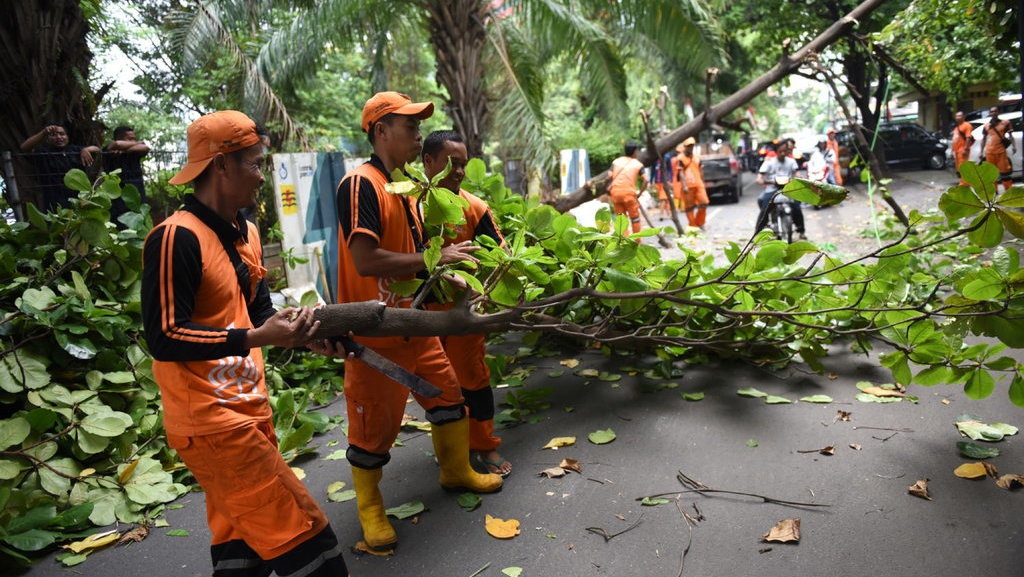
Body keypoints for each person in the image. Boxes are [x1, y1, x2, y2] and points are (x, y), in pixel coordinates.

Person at [140, 110, 350, 577]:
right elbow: (164, 336)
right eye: (254, 164)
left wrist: (303, 337)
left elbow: (258, 313)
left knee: (243, 544)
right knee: (306, 536)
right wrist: (255, 337)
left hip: (251, 407)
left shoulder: (247, 232)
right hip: (213, 422)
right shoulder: (175, 238)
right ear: (220, 165)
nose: (262, 175)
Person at [330, 91, 502, 556]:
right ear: (381, 131)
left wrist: (452, 273)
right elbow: (365, 260)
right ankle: (371, 513)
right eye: (409, 126)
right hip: (374, 336)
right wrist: (436, 259)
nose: (418, 133)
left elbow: (421, 260)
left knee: (449, 400)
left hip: (416, 325)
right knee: (372, 433)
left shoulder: (407, 191)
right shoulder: (360, 184)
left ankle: (455, 471)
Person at [420, 129, 512, 477]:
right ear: (428, 162)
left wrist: (483, 288)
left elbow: (500, 256)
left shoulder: (475, 207)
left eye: (463, 164)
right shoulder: (410, 206)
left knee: (474, 380)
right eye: (451, 163)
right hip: (421, 315)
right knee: (436, 388)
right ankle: (454, 451)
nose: (458, 171)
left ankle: (485, 445)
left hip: (463, 314)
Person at [19, 124, 101, 211]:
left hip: (79, 198)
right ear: (47, 139)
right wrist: (43, 132)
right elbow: (24, 147)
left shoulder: (75, 150)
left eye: (62, 134)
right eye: (53, 135)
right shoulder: (44, 153)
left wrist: (86, 150)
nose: (58, 137)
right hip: (54, 200)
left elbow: (97, 149)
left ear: (67, 136)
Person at [755, 138, 805, 238]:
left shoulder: (791, 162)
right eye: (780, 151)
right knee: (764, 209)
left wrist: (800, 179)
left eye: (784, 151)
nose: (782, 153)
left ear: (787, 151)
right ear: (776, 151)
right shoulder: (769, 162)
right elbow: (759, 177)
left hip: (788, 190)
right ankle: (757, 233)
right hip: (772, 189)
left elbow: (797, 173)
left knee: (797, 207)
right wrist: (763, 181)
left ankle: (801, 230)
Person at [103, 125, 151, 220]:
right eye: (129, 139)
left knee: (139, 215)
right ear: (119, 137)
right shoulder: (108, 149)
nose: (133, 142)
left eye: (134, 139)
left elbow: (145, 148)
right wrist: (136, 143)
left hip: (137, 188)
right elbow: (117, 144)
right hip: (118, 190)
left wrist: (126, 149)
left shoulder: (135, 151)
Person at [607, 141, 648, 236]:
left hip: (615, 194)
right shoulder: (638, 164)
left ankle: (624, 242)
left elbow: (609, 176)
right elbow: (646, 180)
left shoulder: (616, 162)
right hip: (629, 195)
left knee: (621, 219)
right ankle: (636, 241)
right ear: (634, 152)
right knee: (635, 218)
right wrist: (640, 193)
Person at [671, 137, 709, 229]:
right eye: (688, 146)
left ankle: (700, 222)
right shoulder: (681, 158)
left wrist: (703, 182)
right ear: (685, 147)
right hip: (688, 186)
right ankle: (693, 225)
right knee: (689, 207)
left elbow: (701, 170)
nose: (690, 148)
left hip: (698, 184)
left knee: (704, 202)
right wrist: (684, 186)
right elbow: (680, 173)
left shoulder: (697, 157)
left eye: (692, 146)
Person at [979, 106, 1016, 192]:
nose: (993, 113)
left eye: (995, 111)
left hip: (1001, 152)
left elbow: (1011, 136)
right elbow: (983, 139)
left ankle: (1009, 192)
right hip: (989, 152)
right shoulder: (987, 125)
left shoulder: (1005, 123)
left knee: (1005, 173)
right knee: (991, 174)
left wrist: (1014, 146)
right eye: (991, 112)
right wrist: (981, 152)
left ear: (998, 112)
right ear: (990, 113)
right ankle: (993, 192)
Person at [950, 111, 975, 185]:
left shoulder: (967, 125)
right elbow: (954, 140)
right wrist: (952, 151)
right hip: (957, 152)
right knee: (959, 169)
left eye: (959, 116)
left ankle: (964, 184)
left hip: (962, 151)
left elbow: (968, 137)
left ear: (964, 117)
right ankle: (963, 183)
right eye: (956, 116)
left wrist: (966, 149)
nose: (957, 117)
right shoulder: (956, 128)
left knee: (963, 168)